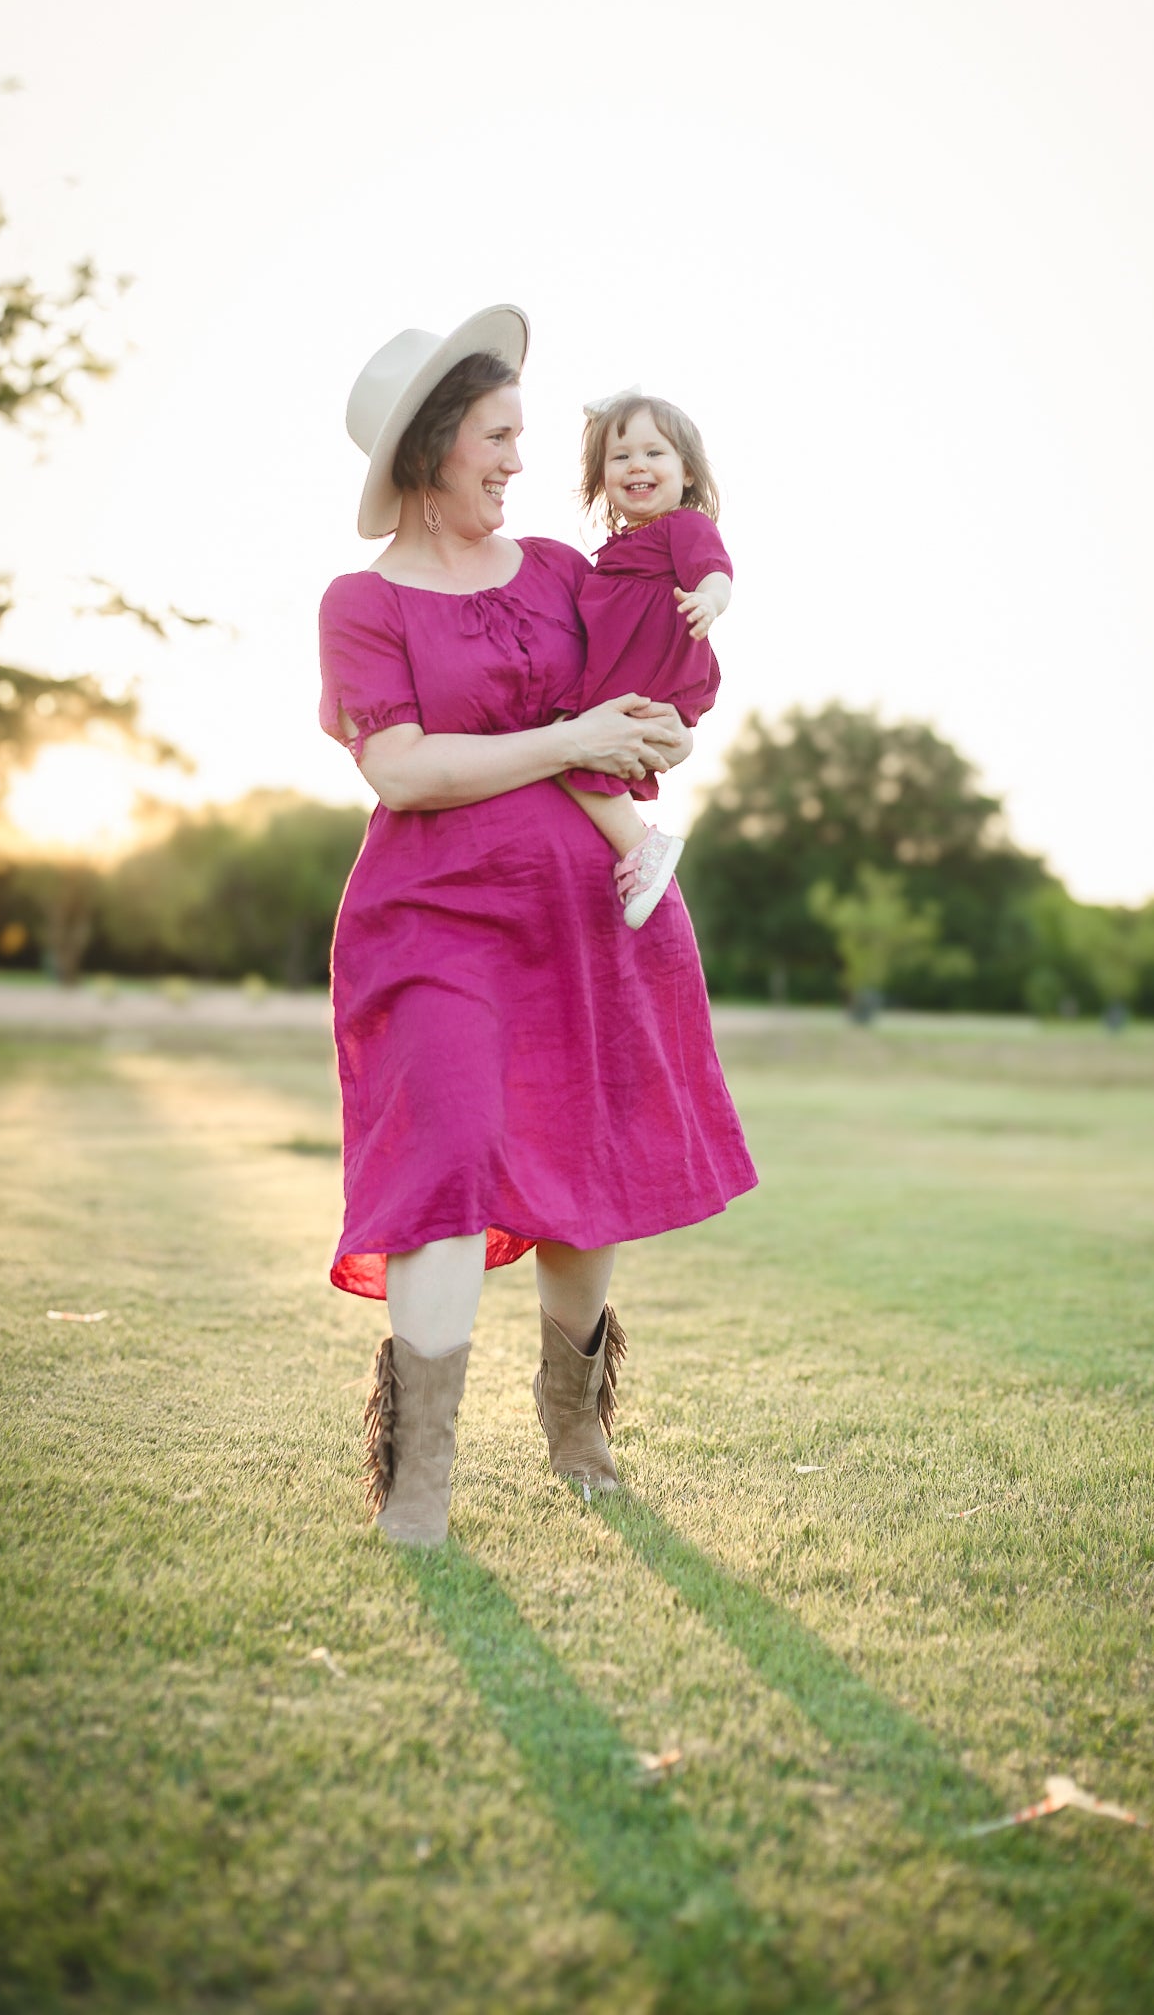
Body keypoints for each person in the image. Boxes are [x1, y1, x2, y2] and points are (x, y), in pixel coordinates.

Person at [318, 304, 757, 1548]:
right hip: (435, 925)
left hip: (593, 917)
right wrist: (571, 739)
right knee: (447, 1155)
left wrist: (663, 725)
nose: (520, 461)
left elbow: (650, 690)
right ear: (436, 445)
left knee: (587, 1181)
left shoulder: (569, 573)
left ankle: (576, 1423)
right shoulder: (360, 603)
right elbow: (400, 770)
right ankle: (418, 1480)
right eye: (500, 437)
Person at [560, 391, 732, 930]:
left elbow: (716, 573)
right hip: (622, 676)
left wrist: (709, 601)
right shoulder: (616, 547)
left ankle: (642, 846)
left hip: (650, 674)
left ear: (686, 474)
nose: (637, 464)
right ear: (602, 476)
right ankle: (629, 850)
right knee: (575, 750)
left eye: (654, 453)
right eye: (620, 455)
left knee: (570, 752)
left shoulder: (684, 526)